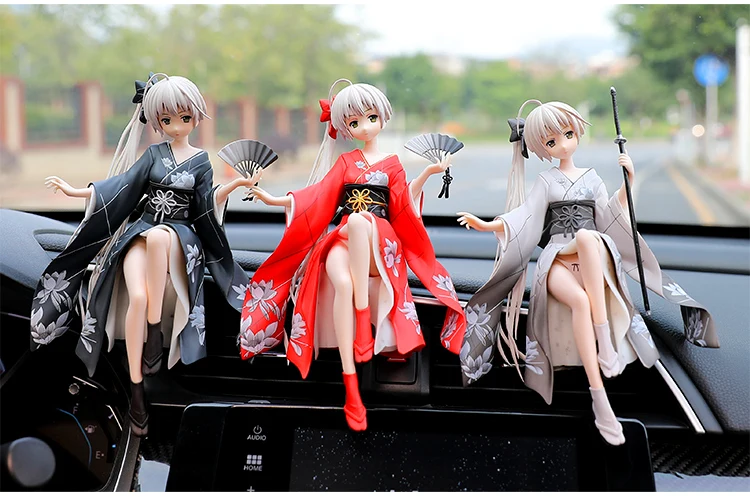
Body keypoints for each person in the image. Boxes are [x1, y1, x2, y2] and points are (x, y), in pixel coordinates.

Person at [457, 100, 718, 445]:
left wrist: (628, 182)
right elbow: (525, 216)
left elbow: (608, 215)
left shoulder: (591, 178)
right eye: (552, 142)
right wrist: (486, 224)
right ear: (542, 148)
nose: (563, 145)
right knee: (579, 299)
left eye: (568, 134)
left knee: (587, 237)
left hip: (592, 253)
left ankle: (603, 352)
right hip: (557, 259)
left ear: (577, 132)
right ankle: (600, 394)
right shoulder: (546, 181)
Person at [30, 73, 256, 436]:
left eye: (184, 117)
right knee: (137, 295)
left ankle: (154, 330)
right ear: (156, 122)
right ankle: (137, 388)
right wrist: (77, 191)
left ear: (196, 117)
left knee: (162, 237)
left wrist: (234, 185)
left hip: (178, 235)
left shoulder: (201, 161)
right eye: (166, 119)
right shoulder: (153, 155)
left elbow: (204, 203)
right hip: (141, 233)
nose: (176, 125)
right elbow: (123, 187)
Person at [240, 79, 467, 431]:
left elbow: (403, 204)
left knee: (362, 221)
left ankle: (363, 315)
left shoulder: (392, 165)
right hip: (343, 241)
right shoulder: (346, 162)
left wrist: (427, 172)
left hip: (377, 240)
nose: (365, 126)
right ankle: (350, 386)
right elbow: (318, 196)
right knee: (341, 281)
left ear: (383, 118)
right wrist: (273, 199)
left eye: (371, 118)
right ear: (345, 127)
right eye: (355, 122)